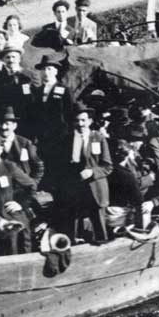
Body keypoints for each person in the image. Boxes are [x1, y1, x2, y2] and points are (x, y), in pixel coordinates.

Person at [58, 104, 112, 244]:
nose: (80, 124)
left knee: (99, 227)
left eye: (83, 120)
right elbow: (60, 166)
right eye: (77, 121)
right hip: (74, 189)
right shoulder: (66, 139)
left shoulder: (98, 138)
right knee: (72, 226)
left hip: (95, 188)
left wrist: (92, 172)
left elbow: (107, 166)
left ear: (89, 121)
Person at [0, 107, 46, 189]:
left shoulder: (24, 143)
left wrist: (33, 183)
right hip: (1, 189)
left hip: (21, 190)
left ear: (14, 126)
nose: (3, 127)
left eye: (7, 124)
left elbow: (39, 166)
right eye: (1, 123)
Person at [28, 55, 73, 147]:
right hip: (41, 135)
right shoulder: (37, 91)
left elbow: (70, 112)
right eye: (43, 69)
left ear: (55, 71)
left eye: (49, 69)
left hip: (59, 134)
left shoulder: (64, 89)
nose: (46, 72)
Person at [105, 139, 145, 230]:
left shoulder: (104, 171)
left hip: (103, 213)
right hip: (118, 217)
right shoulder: (127, 175)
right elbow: (139, 200)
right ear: (127, 156)